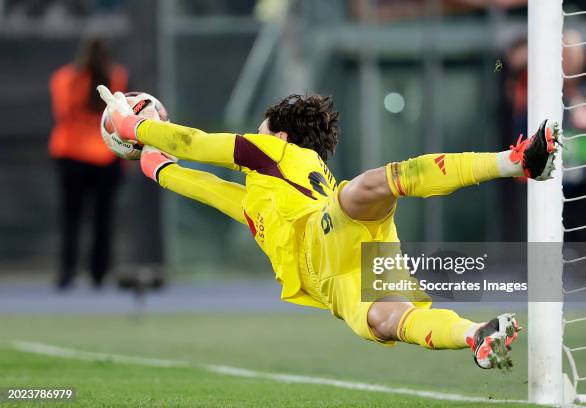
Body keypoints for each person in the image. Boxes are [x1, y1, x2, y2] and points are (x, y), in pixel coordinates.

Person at [99, 88, 560, 369]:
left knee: (370, 187)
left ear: (277, 137)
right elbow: (206, 187)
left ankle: (515, 160)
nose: (251, 136)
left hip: (327, 232)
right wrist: (156, 167)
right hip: (336, 279)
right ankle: (476, 335)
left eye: (258, 130)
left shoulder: (274, 154)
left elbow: (192, 142)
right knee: (386, 320)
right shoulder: (259, 201)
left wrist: (134, 125)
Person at [49, 38, 128, 289]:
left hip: (70, 154)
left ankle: (67, 272)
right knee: (103, 218)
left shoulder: (64, 78)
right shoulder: (118, 77)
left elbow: (62, 114)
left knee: (71, 216)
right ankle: (99, 273)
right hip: (106, 156)